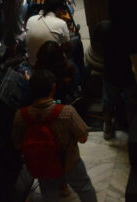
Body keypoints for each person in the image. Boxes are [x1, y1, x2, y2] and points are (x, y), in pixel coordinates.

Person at [11, 69, 96, 202]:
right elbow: (83, 138)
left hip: (42, 164)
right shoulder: (67, 112)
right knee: (84, 187)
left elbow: (17, 144)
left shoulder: (21, 116)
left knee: (49, 195)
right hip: (70, 162)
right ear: (53, 88)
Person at [25, 0, 71, 64]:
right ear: (58, 9)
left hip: (31, 63)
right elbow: (67, 47)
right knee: (76, 42)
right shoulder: (61, 24)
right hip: (51, 67)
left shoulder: (30, 19)